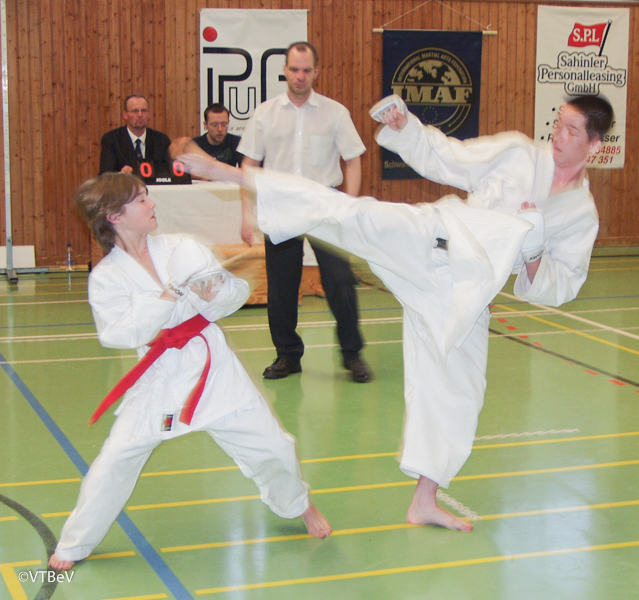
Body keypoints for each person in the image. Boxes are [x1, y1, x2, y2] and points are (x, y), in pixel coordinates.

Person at [178, 94, 613, 531]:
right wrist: (407, 128)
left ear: (594, 145)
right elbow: (449, 158)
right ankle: (231, 173)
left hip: (466, 292)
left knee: (460, 392)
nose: (558, 134)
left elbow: (561, 284)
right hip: (434, 238)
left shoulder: (581, 214)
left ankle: (424, 500)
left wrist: (533, 254)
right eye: (558, 123)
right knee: (352, 213)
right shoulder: (519, 153)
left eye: (572, 130)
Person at [48, 173, 331, 571]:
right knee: (115, 461)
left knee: (274, 447)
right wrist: (171, 295)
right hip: (159, 378)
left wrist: (218, 291)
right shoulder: (106, 277)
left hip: (212, 369)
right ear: (115, 216)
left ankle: (299, 505)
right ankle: (74, 544)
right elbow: (119, 334)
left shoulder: (182, 248)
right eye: (141, 199)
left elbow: (234, 295)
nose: (152, 203)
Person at [237, 41, 372, 384]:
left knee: (340, 281)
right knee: (282, 287)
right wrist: (247, 213)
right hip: (280, 206)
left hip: (324, 204)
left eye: (306, 70)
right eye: (294, 69)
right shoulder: (265, 113)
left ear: (316, 72)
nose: (300, 76)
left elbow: (353, 159)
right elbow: (248, 165)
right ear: (285, 70)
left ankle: (352, 354)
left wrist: (348, 205)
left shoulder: (335, 113)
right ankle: (287, 355)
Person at [99, 95, 172, 175]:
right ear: (125, 115)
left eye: (144, 111)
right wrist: (121, 174)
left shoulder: (161, 140)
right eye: (135, 111)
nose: (140, 115)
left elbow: (168, 173)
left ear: (149, 114)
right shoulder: (111, 140)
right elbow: (105, 176)